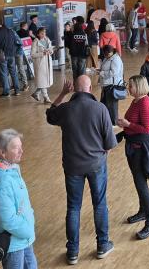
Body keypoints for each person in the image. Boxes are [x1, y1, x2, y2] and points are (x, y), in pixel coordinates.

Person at [46, 76, 118, 263]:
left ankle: (72, 252)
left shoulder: (66, 109)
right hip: (96, 165)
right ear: (90, 88)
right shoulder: (100, 109)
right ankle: (102, 245)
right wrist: (102, 155)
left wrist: (62, 93)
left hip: (72, 166)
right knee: (100, 204)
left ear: (75, 90)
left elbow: (49, 115)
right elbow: (110, 143)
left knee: (73, 207)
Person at [117, 75, 149, 240]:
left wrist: (127, 125)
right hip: (134, 147)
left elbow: (146, 129)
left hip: (141, 149)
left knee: (141, 185)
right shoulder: (136, 101)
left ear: (138, 87)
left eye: (130, 86)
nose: (128, 89)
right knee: (138, 183)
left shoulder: (145, 103)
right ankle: (143, 211)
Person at [0, 129, 37, 269]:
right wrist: (28, 230)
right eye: (16, 148)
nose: (21, 151)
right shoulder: (2, 183)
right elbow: (9, 220)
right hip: (14, 243)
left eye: (21, 146)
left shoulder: (13, 169)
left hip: (23, 239)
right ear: (2, 152)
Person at [0, 21, 22, 97]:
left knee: (4, 73)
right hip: (12, 55)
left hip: (2, 55)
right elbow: (16, 42)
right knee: (14, 73)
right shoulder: (11, 31)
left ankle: (6, 92)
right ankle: (17, 90)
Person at [99, 45, 123, 125]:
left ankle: (113, 123)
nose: (106, 55)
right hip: (106, 84)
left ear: (112, 52)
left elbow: (113, 72)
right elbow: (105, 68)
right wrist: (98, 70)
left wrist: (101, 73)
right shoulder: (107, 58)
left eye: (107, 54)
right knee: (104, 104)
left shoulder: (116, 59)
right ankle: (106, 122)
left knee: (112, 106)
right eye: (105, 54)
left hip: (112, 85)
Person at [30, 28, 53, 103]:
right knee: (42, 81)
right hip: (40, 64)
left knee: (45, 81)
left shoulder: (47, 40)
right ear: (38, 34)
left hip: (47, 63)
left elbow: (51, 49)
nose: (44, 35)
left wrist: (50, 51)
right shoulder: (35, 42)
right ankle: (46, 98)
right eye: (42, 33)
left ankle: (36, 93)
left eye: (44, 33)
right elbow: (32, 55)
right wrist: (42, 53)